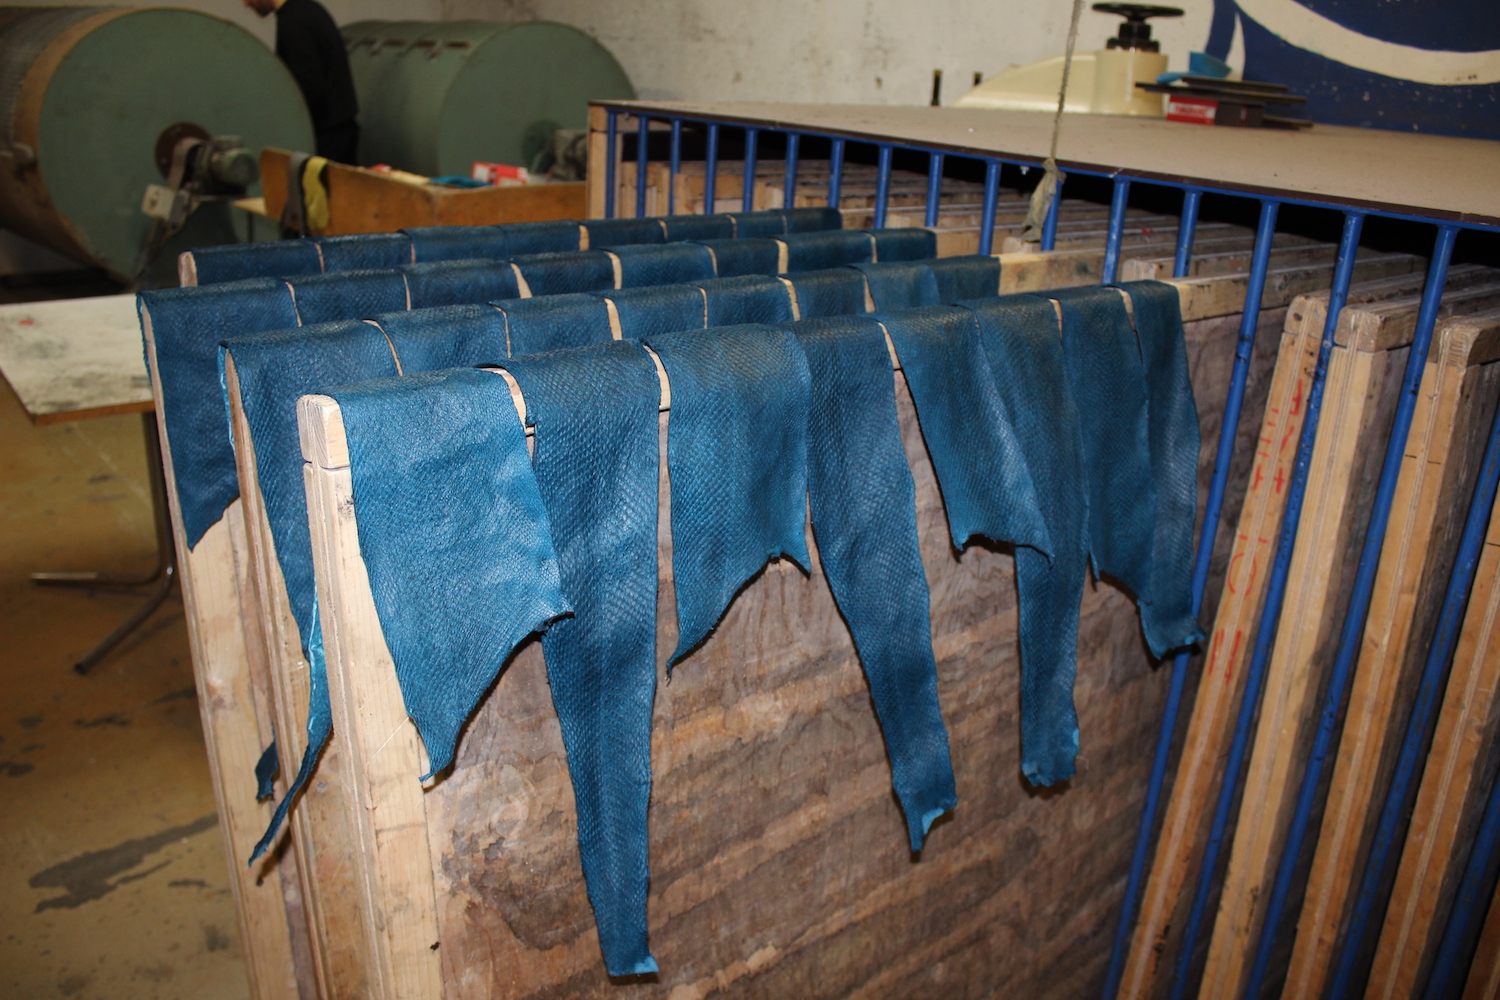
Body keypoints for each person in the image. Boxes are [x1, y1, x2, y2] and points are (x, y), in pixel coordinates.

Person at [243, 0, 359, 163]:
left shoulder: (293, 22)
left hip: (326, 140)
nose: (246, 4)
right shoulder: (305, 10)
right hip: (337, 132)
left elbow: (308, 88)